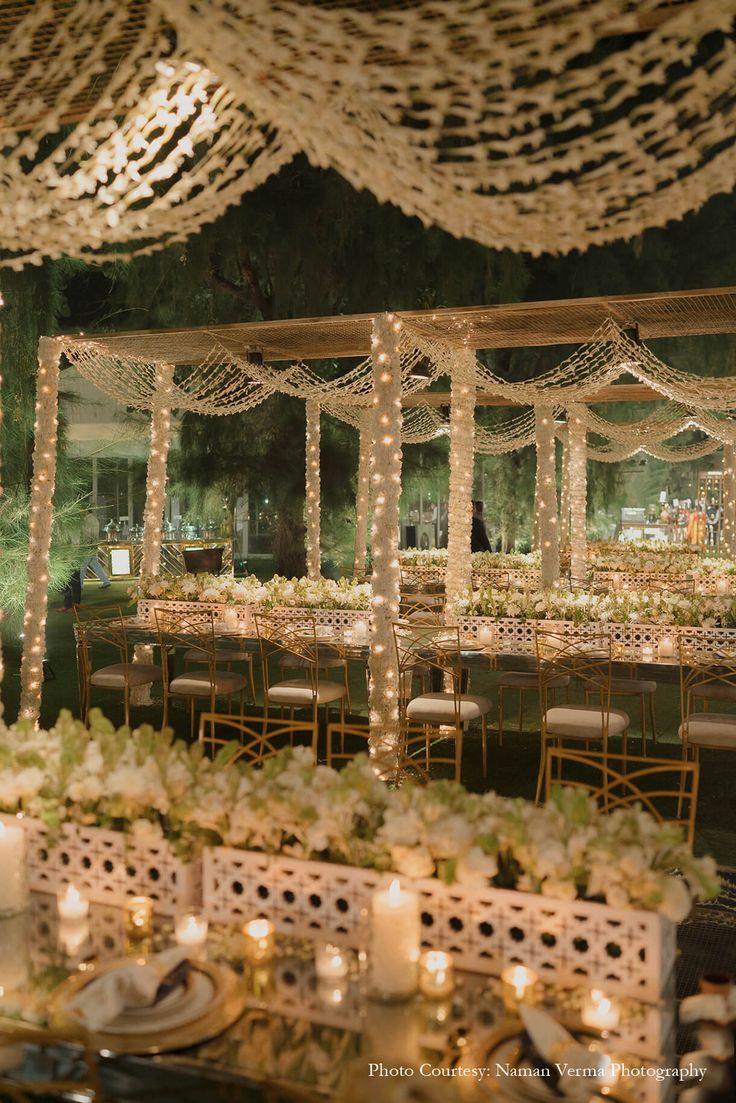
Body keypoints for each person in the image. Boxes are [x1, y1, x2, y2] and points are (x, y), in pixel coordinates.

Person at [79, 508, 110, 590]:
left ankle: (80, 584)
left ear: (86, 510)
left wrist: (84, 545)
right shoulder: (95, 519)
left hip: (88, 545)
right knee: (95, 565)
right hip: (93, 545)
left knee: (82, 566)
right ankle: (106, 581)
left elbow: (87, 533)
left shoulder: (87, 520)